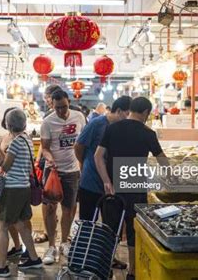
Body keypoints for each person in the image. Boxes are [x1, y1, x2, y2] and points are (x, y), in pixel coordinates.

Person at [94, 97, 168, 280]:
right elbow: (163, 161)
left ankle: (105, 268)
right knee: (134, 230)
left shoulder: (113, 128)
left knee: (110, 229)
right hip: (135, 186)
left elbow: (98, 156)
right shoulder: (148, 133)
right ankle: (132, 272)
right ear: (145, 113)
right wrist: (173, 177)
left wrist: (106, 181)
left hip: (113, 188)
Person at [0, 109, 43, 277]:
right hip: (23, 187)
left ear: (8, 125)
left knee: (2, 227)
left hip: (12, 189)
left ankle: (2, 267)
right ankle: (34, 258)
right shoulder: (27, 140)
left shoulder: (16, 142)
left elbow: (5, 165)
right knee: (22, 225)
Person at [40, 90, 86, 264]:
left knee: (69, 208)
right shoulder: (47, 122)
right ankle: (51, 246)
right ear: (52, 105)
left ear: (69, 102)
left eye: (64, 107)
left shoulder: (79, 117)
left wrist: (82, 163)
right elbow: (44, 147)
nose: (62, 111)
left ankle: (65, 242)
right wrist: (49, 158)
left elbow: (83, 142)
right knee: (50, 209)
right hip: (53, 172)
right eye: (58, 108)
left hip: (72, 171)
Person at [75, 96, 132, 221]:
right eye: (127, 114)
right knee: (87, 223)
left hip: (111, 186)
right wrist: (85, 163)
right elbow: (79, 146)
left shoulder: (123, 128)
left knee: (110, 225)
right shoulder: (97, 124)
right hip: (91, 182)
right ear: (118, 111)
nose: (128, 118)